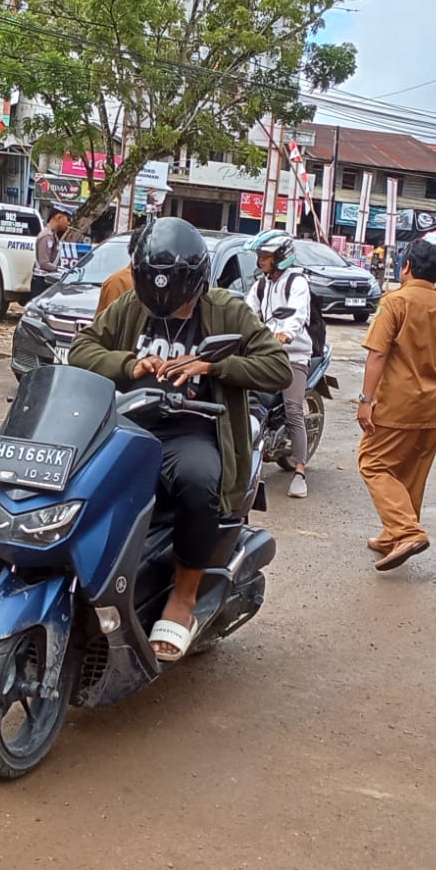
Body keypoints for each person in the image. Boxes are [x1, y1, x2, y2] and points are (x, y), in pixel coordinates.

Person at [71, 218, 291, 660]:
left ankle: (184, 599)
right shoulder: (131, 305)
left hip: (193, 428)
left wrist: (211, 367)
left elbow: (277, 367)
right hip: (129, 425)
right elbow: (82, 349)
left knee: (196, 481)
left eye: (179, 303)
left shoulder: (227, 309)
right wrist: (128, 364)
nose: (170, 311)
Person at [356, 239, 436, 571]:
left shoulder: (395, 302)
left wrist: (366, 400)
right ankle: (394, 534)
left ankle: (406, 530)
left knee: (373, 464)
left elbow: (377, 353)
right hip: (431, 407)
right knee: (411, 473)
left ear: (406, 267)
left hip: (396, 404)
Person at [244, 229, 314, 498]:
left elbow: (297, 315)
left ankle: (299, 471)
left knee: (294, 408)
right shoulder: (261, 284)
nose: (261, 260)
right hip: (264, 352)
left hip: (292, 355)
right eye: (260, 256)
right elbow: (246, 311)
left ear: (281, 257)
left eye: (266, 256)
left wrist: (284, 334)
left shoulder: (297, 283)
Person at [32, 205, 71, 296]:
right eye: (67, 219)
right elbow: (44, 263)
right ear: (59, 217)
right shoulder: (47, 236)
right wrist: (62, 270)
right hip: (41, 282)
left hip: (45, 281)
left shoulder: (53, 235)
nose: (68, 223)